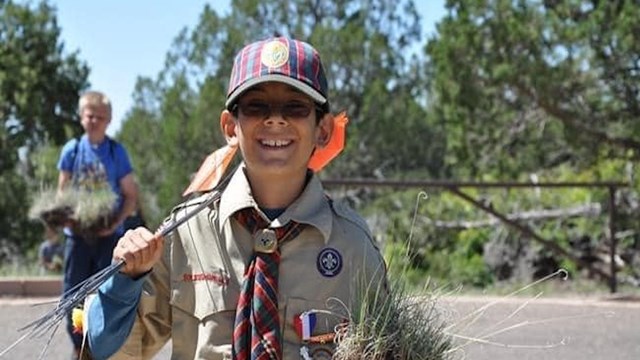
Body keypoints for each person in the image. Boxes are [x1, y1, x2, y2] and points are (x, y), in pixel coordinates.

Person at [86, 37, 387, 360]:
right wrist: (126, 282)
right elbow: (111, 352)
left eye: (296, 107)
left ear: (323, 130)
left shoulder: (353, 246)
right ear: (231, 126)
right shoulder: (186, 235)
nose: (275, 119)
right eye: (256, 106)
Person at [57, 90, 139, 358]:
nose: (94, 121)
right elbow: (63, 193)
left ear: (109, 120)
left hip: (108, 238)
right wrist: (70, 217)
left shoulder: (117, 152)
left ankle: (98, 349)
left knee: (107, 296)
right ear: (82, 117)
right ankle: (79, 346)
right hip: (78, 238)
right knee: (72, 296)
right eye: (90, 116)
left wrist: (115, 221)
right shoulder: (72, 151)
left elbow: (130, 194)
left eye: (100, 117)